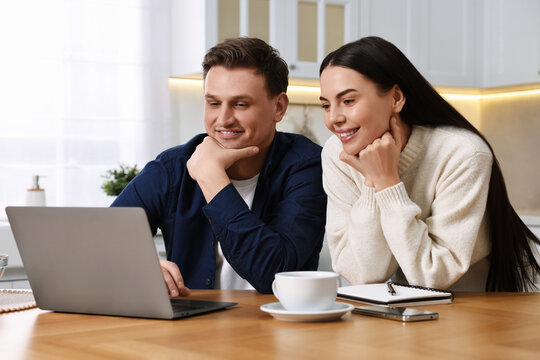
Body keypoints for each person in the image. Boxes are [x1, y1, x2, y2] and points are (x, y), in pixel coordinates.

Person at [318, 36, 540, 291]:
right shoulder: (337, 155)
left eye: (348, 101)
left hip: (495, 305)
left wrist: (388, 183)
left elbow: (433, 276)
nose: (333, 118)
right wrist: (372, 183)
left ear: (396, 98)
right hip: (413, 308)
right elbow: (362, 276)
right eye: (325, 105)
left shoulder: (463, 153)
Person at [113, 37, 326, 296]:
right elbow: (102, 239)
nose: (223, 119)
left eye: (240, 104)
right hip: (192, 330)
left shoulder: (307, 166)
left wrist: (211, 177)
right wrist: (141, 266)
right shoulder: (172, 168)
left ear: (278, 107)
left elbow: (272, 274)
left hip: (282, 329)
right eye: (213, 103)